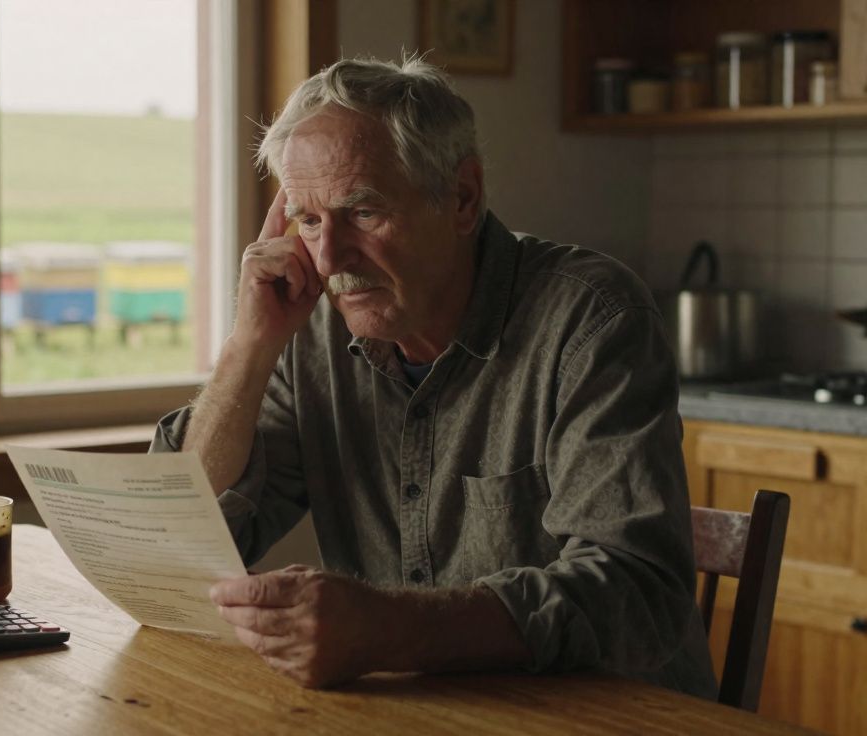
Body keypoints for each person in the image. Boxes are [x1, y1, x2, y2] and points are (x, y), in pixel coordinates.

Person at [150, 57, 718, 697]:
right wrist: (247, 347)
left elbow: (637, 590)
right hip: (424, 711)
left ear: (462, 198)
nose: (331, 258)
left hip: (613, 716)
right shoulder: (311, 328)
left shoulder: (591, 318)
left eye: (363, 211)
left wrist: (388, 629)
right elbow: (185, 536)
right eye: (307, 219)